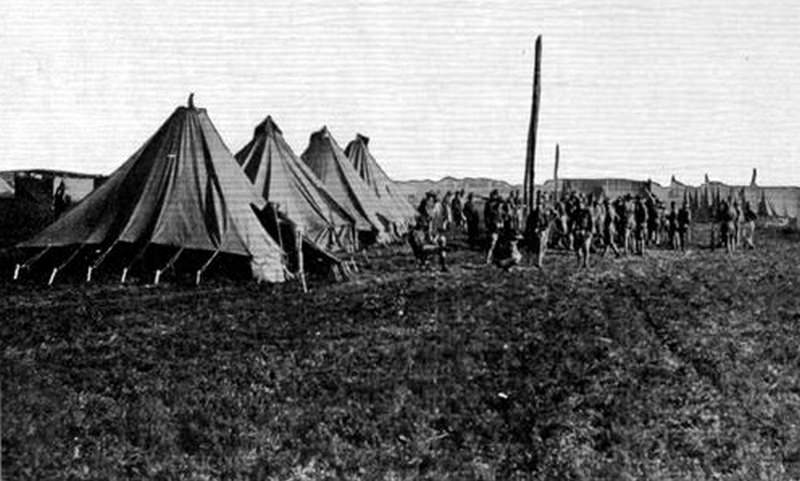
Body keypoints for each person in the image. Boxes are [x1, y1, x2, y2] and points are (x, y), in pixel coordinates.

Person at [526, 193, 552, 268]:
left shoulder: (545, 212)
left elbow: (547, 221)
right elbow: (530, 223)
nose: (539, 206)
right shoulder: (534, 213)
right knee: (538, 247)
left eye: (540, 204)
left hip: (543, 230)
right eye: (538, 204)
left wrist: (545, 227)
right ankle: (537, 262)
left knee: (543, 246)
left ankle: (538, 261)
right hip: (537, 231)